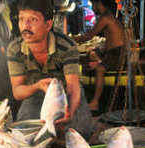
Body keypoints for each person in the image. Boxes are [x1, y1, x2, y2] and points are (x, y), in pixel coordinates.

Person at [6, 0, 94, 140]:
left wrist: (69, 112)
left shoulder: (66, 46)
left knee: (80, 134)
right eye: (22, 19)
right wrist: (38, 86)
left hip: (65, 94)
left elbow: (73, 87)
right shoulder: (14, 49)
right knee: (25, 136)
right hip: (35, 94)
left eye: (33, 19)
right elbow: (18, 92)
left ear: (48, 24)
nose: (25, 26)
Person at [73, 0, 125, 111]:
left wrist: (70, 39)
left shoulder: (105, 18)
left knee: (100, 69)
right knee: (89, 60)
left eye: (94, 5)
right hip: (113, 53)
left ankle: (95, 102)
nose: (93, 8)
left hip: (117, 53)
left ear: (99, 4)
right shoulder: (109, 16)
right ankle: (82, 98)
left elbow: (88, 36)